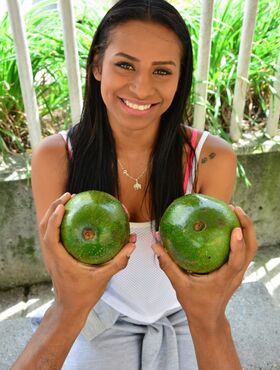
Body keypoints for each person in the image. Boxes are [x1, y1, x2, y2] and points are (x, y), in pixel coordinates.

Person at [12, 0, 257, 369]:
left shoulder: (211, 159)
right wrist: (68, 309)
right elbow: (65, 278)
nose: (142, 88)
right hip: (95, 316)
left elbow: (200, 270)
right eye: (125, 64)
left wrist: (211, 310)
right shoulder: (55, 157)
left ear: (180, 78)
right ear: (97, 65)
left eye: (162, 71)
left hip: (184, 315)